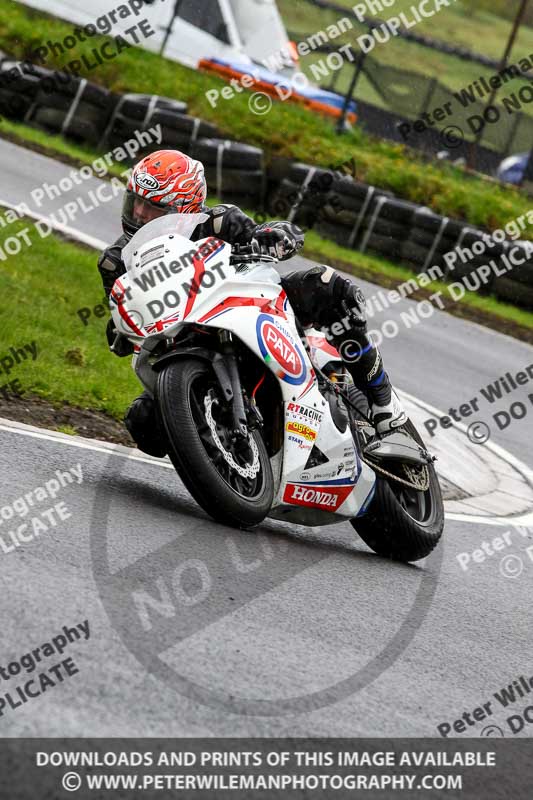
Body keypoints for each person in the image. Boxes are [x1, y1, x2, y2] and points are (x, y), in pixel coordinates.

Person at [98, 149, 406, 456]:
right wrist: (120, 331)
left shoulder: (219, 222)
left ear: (183, 208)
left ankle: (384, 405)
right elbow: (124, 317)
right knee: (143, 422)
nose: (138, 214)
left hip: (252, 308)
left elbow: (260, 235)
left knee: (330, 287)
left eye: (150, 208)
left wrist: (274, 235)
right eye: (134, 202)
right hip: (180, 342)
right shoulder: (116, 262)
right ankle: (223, 459)